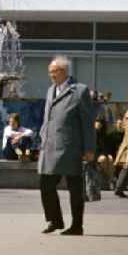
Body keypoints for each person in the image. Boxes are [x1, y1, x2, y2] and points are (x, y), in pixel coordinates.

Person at [38, 55, 95, 236]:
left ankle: (77, 225)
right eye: (50, 72)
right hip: (50, 147)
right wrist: (42, 136)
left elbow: (87, 122)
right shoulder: (50, 90)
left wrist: (89, 149)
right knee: (46, 184)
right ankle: (55, 220)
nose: (51, 75)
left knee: (75, 188)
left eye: (53, 72)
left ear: (63, 71)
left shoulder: (79, 91)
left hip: (71, 148)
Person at [93, 113, 114, 184]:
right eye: (97, 122)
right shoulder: (92, 133)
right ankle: (109, 178)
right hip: (93, 153)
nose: (98, 124)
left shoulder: (103, 134)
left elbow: (105, 147)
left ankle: (111, 179)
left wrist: (106, 154)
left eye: (100, 123)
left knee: (110, 159)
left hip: (101, 153)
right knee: (103, 159)